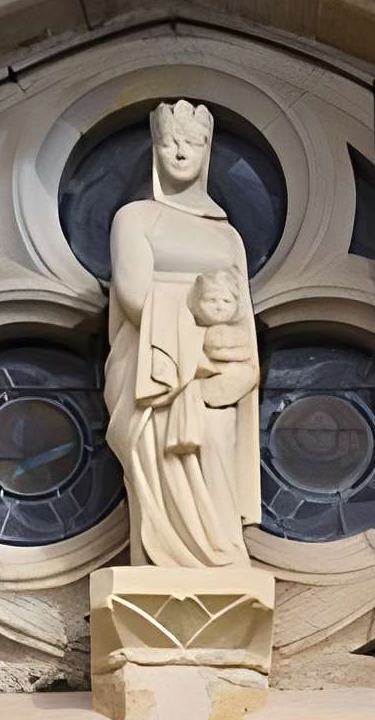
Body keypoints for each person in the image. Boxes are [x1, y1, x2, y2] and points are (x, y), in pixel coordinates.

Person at [104, 101, 262, 566]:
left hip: (214, 373)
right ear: (155, 149)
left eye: (191, 143)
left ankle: (219, 552)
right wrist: (197, 343)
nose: (179, 153)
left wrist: (237, 359)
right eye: (169, 142)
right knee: (161, 457)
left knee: (214, 442)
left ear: (207, 151)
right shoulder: (134, 219)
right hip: (153, 366)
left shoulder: (227, 235)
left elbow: (242, 314)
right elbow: (133, 295)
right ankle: (168, 558)